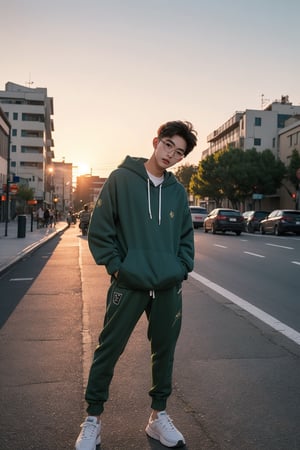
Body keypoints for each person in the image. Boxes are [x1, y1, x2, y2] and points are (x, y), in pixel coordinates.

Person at [75, 120, 198, 450]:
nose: (171, 154)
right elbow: (101, 230)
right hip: (129, 284)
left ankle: (158, 417)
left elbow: (186, 237)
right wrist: (117, 269)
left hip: (168, 288)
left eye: (179, 152)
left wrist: (181, 267)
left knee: (164, 352)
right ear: (156, 141)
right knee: (108, 350)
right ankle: (93, 420)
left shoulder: (177, 191)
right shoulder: (121, 179)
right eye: (169, 145)